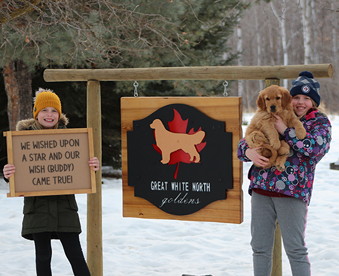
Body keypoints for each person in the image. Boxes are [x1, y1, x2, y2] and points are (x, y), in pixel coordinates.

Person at [237, 71, 331, 276]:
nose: (300, 102)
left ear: (313, 102)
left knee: (295, 249)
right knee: (260, 248)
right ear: (290, 98)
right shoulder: (272, 113)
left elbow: (314, 150)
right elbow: (246, 140)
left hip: (292, 192)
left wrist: (284, 130)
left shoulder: (319, 123)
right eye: (297, 97)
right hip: (262, 189)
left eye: (307, 98)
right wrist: (248, 151)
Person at [2, 88, 99, 276]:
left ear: (59, 115)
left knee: (76, 256)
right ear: (36, 113)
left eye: (54, 110)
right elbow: (18, 172)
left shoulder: (71, 140)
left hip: (65, 207)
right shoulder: (22, 141)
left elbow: (80, 170)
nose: (49, 114)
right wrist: (8, 172)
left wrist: (92, 165)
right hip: (37, 208)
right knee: (43, 257)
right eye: (44, 110)